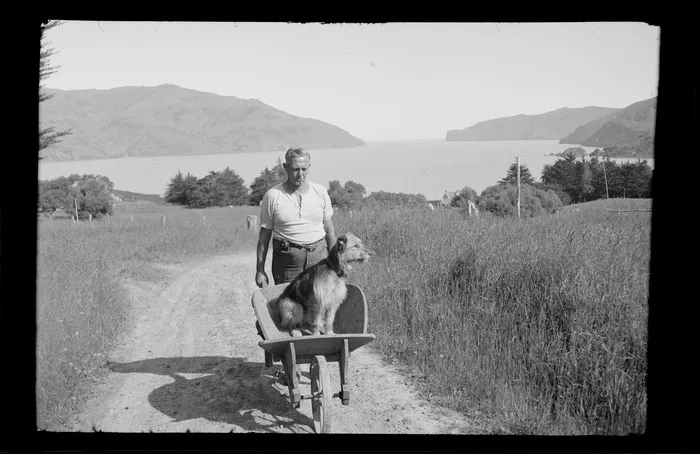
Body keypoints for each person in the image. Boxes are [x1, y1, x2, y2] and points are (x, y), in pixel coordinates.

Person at [255, 147, 337, 288]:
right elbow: (264, 235)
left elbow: (329, 230)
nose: (300, 174)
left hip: (319, 260)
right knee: (289, 307)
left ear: (309, 167)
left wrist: (336, 261)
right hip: (287, 264)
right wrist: (260, 270)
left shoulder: (320, 192)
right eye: (295, 169)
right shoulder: (273, 196)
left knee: (319, 305)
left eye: (304, 169)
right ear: (286, 167)